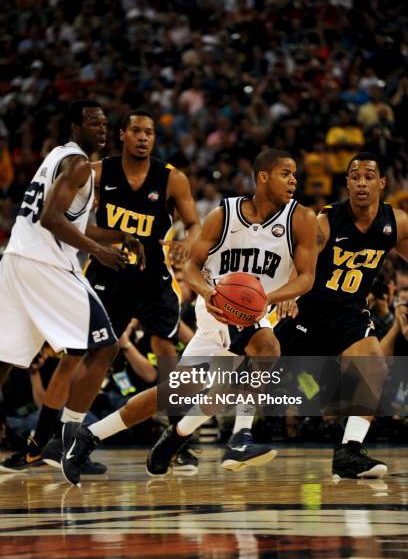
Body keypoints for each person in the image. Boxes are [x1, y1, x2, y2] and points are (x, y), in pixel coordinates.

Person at [59, 148, 319, 486]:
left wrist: (271, 298)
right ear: (263, 177)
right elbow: (192, 268)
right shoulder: (223, 215)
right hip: (217, 307)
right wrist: (208, 293)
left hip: (256, 311)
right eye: (286, 173)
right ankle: (240, 439)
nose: (294, 180)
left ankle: (96, 436)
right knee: (267, 349)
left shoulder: (301, 218)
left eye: (295, 174)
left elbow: (306, 277)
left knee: (175, 393)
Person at [0, 109, 200, 472]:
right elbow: (67, 221)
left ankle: (171, 433)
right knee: (93, 351)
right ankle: (64, 439)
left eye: (149, 132)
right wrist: (107, 247)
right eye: (135, 130)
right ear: (123, 135)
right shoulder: (91, 170)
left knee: (162, 346)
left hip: (149, 270)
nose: (143, 137)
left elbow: (194, 225)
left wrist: (186, 241)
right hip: (97, 269)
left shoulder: (171, 179)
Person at [274, 152, 408, 479]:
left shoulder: (397, 222)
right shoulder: (327, 220)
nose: (362, 183)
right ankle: (185, 428)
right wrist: (290, 293)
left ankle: (349, 451)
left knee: (374, 366)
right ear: (347, 182)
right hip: (310, 309)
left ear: (382, 182)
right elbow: (300, 260)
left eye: (368, 176)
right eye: (355, 177)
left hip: (349, 311)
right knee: (252, 376)